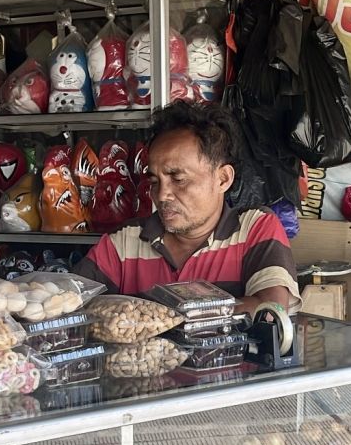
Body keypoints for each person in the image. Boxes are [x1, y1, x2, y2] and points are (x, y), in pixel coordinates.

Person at [75, 101, 300, 315]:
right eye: (154, 182)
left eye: (179, 179)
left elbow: (270, 310)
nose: (162, 195)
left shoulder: (254, 228)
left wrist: (155, 317)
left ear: (223, 178)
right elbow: (72, 302)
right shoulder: (124, 241)